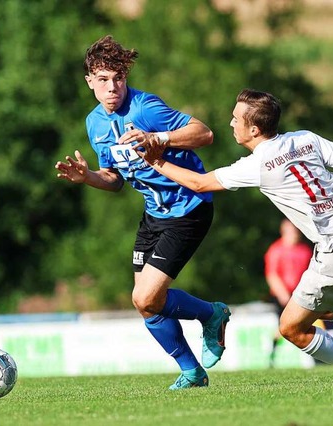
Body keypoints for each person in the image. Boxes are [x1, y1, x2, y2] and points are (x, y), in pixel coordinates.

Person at [137, 88, 333, 383]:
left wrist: (154, 161)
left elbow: (198, 184)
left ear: (254, 128)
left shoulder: (257, 165)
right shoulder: (305, 138)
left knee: (291, 328)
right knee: (325, 307)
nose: (230, 123)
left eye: (236, 119)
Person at [54, 35, 231, 390]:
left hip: (188, 208)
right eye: (103, 79)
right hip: (154, 215)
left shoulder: (145, 107)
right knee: (148, 305)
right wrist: (88, 177)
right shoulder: (95, 124)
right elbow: (114, 179)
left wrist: (159, 138)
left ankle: (211, 315)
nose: (112, 87)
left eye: (118, 78)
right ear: (89, 81)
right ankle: (193, 371)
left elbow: (204, 133)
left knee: (144, 297)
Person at [265, 219, 313, 308]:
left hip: (302, 294)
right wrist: (282, 294)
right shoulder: (276, 250)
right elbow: (272, 274)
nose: (295, 233)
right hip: (283, 296)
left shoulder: (305, 250)